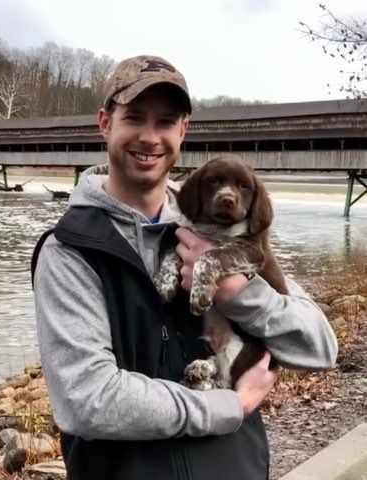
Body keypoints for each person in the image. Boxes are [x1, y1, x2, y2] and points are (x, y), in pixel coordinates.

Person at [33, 55, 338, 480]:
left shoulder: (224, 232)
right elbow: (87, 400)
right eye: (134, 118)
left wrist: (240, 294)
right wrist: (228, 406)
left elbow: (320, 347)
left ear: (183, 130)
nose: (149, 136)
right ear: (105, 123)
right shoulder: (69, 250)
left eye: (165, 121)